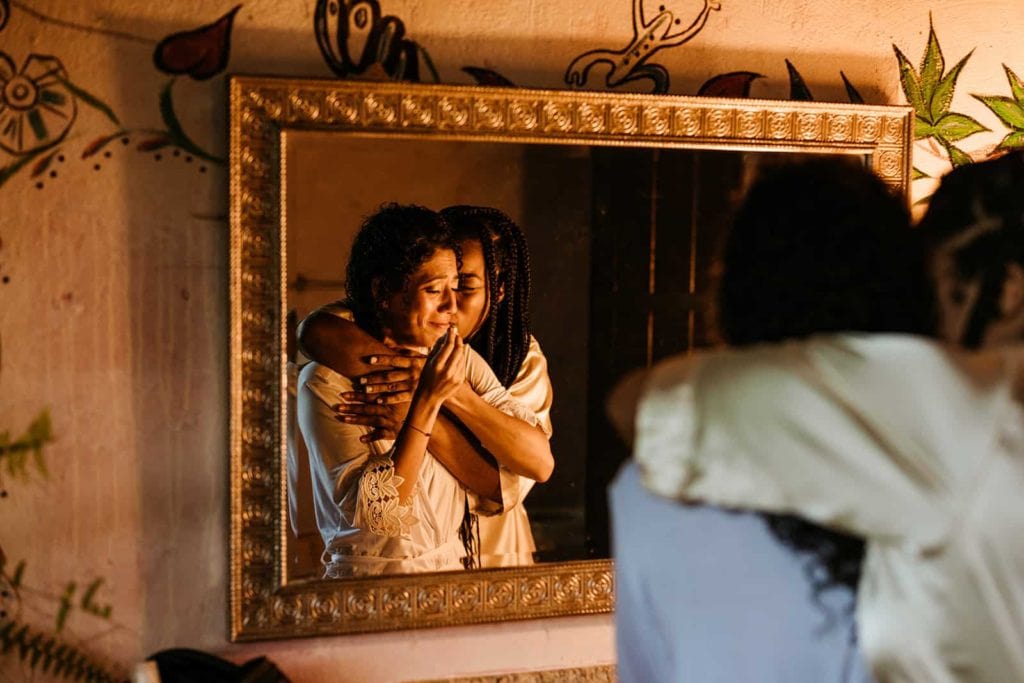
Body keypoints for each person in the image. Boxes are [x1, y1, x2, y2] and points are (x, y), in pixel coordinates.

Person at [620, 154, 1024, 682]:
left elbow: (641, 406)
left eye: (940, 292)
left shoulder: (962, 417)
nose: (928, 332)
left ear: (1009, 292)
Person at [297, 204, 553, 577]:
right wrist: (425, 401)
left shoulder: (494, 357)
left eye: (462, 286)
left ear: (497, 292)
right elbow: (314, 328)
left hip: (486, 557)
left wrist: (439, 396)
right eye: (437, 288)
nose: (451, 304)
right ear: (385, 292)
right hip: (373, 584)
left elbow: (527, 470)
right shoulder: (331, 372)